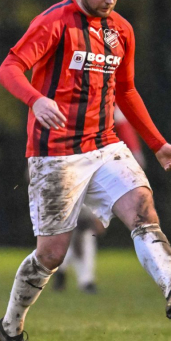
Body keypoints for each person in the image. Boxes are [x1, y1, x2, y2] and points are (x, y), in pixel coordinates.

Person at [0, 0, 171, 341]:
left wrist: (156, 143)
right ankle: (10, 329)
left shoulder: (122, 31)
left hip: (105, 144)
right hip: (55, 155)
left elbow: (126, 91)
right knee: (52, 255)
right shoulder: (54, 22)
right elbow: (9, 68)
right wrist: (36, 99)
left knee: (144, 210)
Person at [53, 106, 143, 294]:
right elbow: (123, 125)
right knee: (82, 226)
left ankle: (70, 272)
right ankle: (80, 277)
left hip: (84, 168)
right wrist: (135, 154)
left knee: (80, 226)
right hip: (76, 168)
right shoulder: (98, 91)